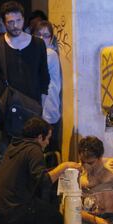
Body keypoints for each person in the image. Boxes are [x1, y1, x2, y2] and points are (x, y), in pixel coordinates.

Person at [0, 117, 80, 224]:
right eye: (47, 138)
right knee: (56, 218)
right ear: (40, 137)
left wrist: (56, 170)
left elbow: (33, 175)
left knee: (41, 207)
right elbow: (43, 181)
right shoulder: (34, 150)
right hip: (13, 208)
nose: (48, 142)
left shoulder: (15, 146)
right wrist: (63, 166)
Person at [0, 1, 50, 167]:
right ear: (3, 22)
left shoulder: (37, 44)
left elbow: (44, 76)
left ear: (24, 19)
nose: (15, 26)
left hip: (32, 109)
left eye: (18, 21)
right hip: (5, 110)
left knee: (31, 161)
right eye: (10, 22)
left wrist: (41, 106)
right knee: (2, 161)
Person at [33, 20, 62, 152]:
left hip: (47, 109)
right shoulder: (41, 52)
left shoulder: (49, 54)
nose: (41, 38)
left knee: (47, 150)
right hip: (45, 109)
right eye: (38, 34)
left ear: (51, 39)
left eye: (46, 35)